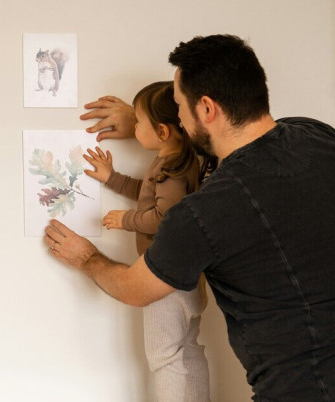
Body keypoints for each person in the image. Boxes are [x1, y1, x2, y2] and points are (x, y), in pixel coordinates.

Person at [44, 34, 335, 400]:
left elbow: (136, 289)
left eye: (179, 106)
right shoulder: (316, 135)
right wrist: (143, 122)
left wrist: (86, 258)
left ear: (208, 109)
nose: (178, 114)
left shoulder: (204, 213)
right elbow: (222, 148)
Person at [83, 81, 210, 401]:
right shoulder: (178, 162)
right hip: (190, 278)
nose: (134, 128)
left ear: (163, 132)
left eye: (139, 122)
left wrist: (125, 220)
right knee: (189, 349)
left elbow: (164, 215)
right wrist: (111, 178)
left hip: (165, 278)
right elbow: (148, 194)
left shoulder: (171, 166)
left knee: (164, 356)